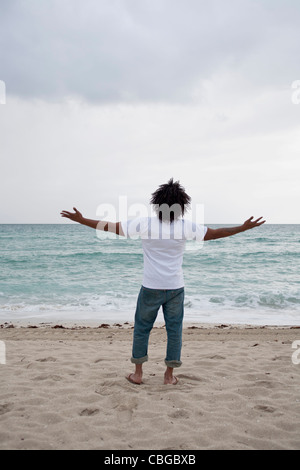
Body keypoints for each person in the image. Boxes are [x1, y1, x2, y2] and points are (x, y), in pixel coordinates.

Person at [61, 178, 265, 385]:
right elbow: (214, 234)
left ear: (157, 204)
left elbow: (109, 227)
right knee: (174, 331)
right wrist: (242, 228)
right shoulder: (185, 227)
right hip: (175, 287)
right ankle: (169, 376)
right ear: (182, 206)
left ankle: (138, 374)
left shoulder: (144, 223)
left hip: (151, 287)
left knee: (142, 328)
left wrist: (82, 219)